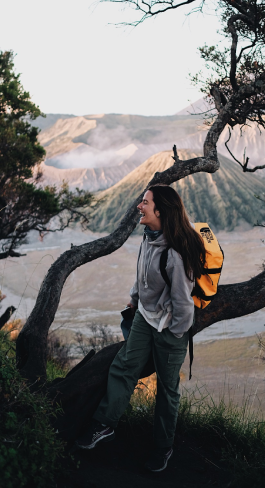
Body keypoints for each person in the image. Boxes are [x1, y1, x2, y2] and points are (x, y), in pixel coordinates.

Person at [75, 184, 206, 472]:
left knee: (167, 390)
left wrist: (174, 335)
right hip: (146, 318)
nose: (140, 206)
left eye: (145, 202)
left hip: (169, 327)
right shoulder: (149, 237)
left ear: (160, 211)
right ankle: (104, 424)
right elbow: (142, 273)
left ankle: (163, 448)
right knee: (124, 367)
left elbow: (183, 305)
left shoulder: (175, 254)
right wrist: (135, 299)